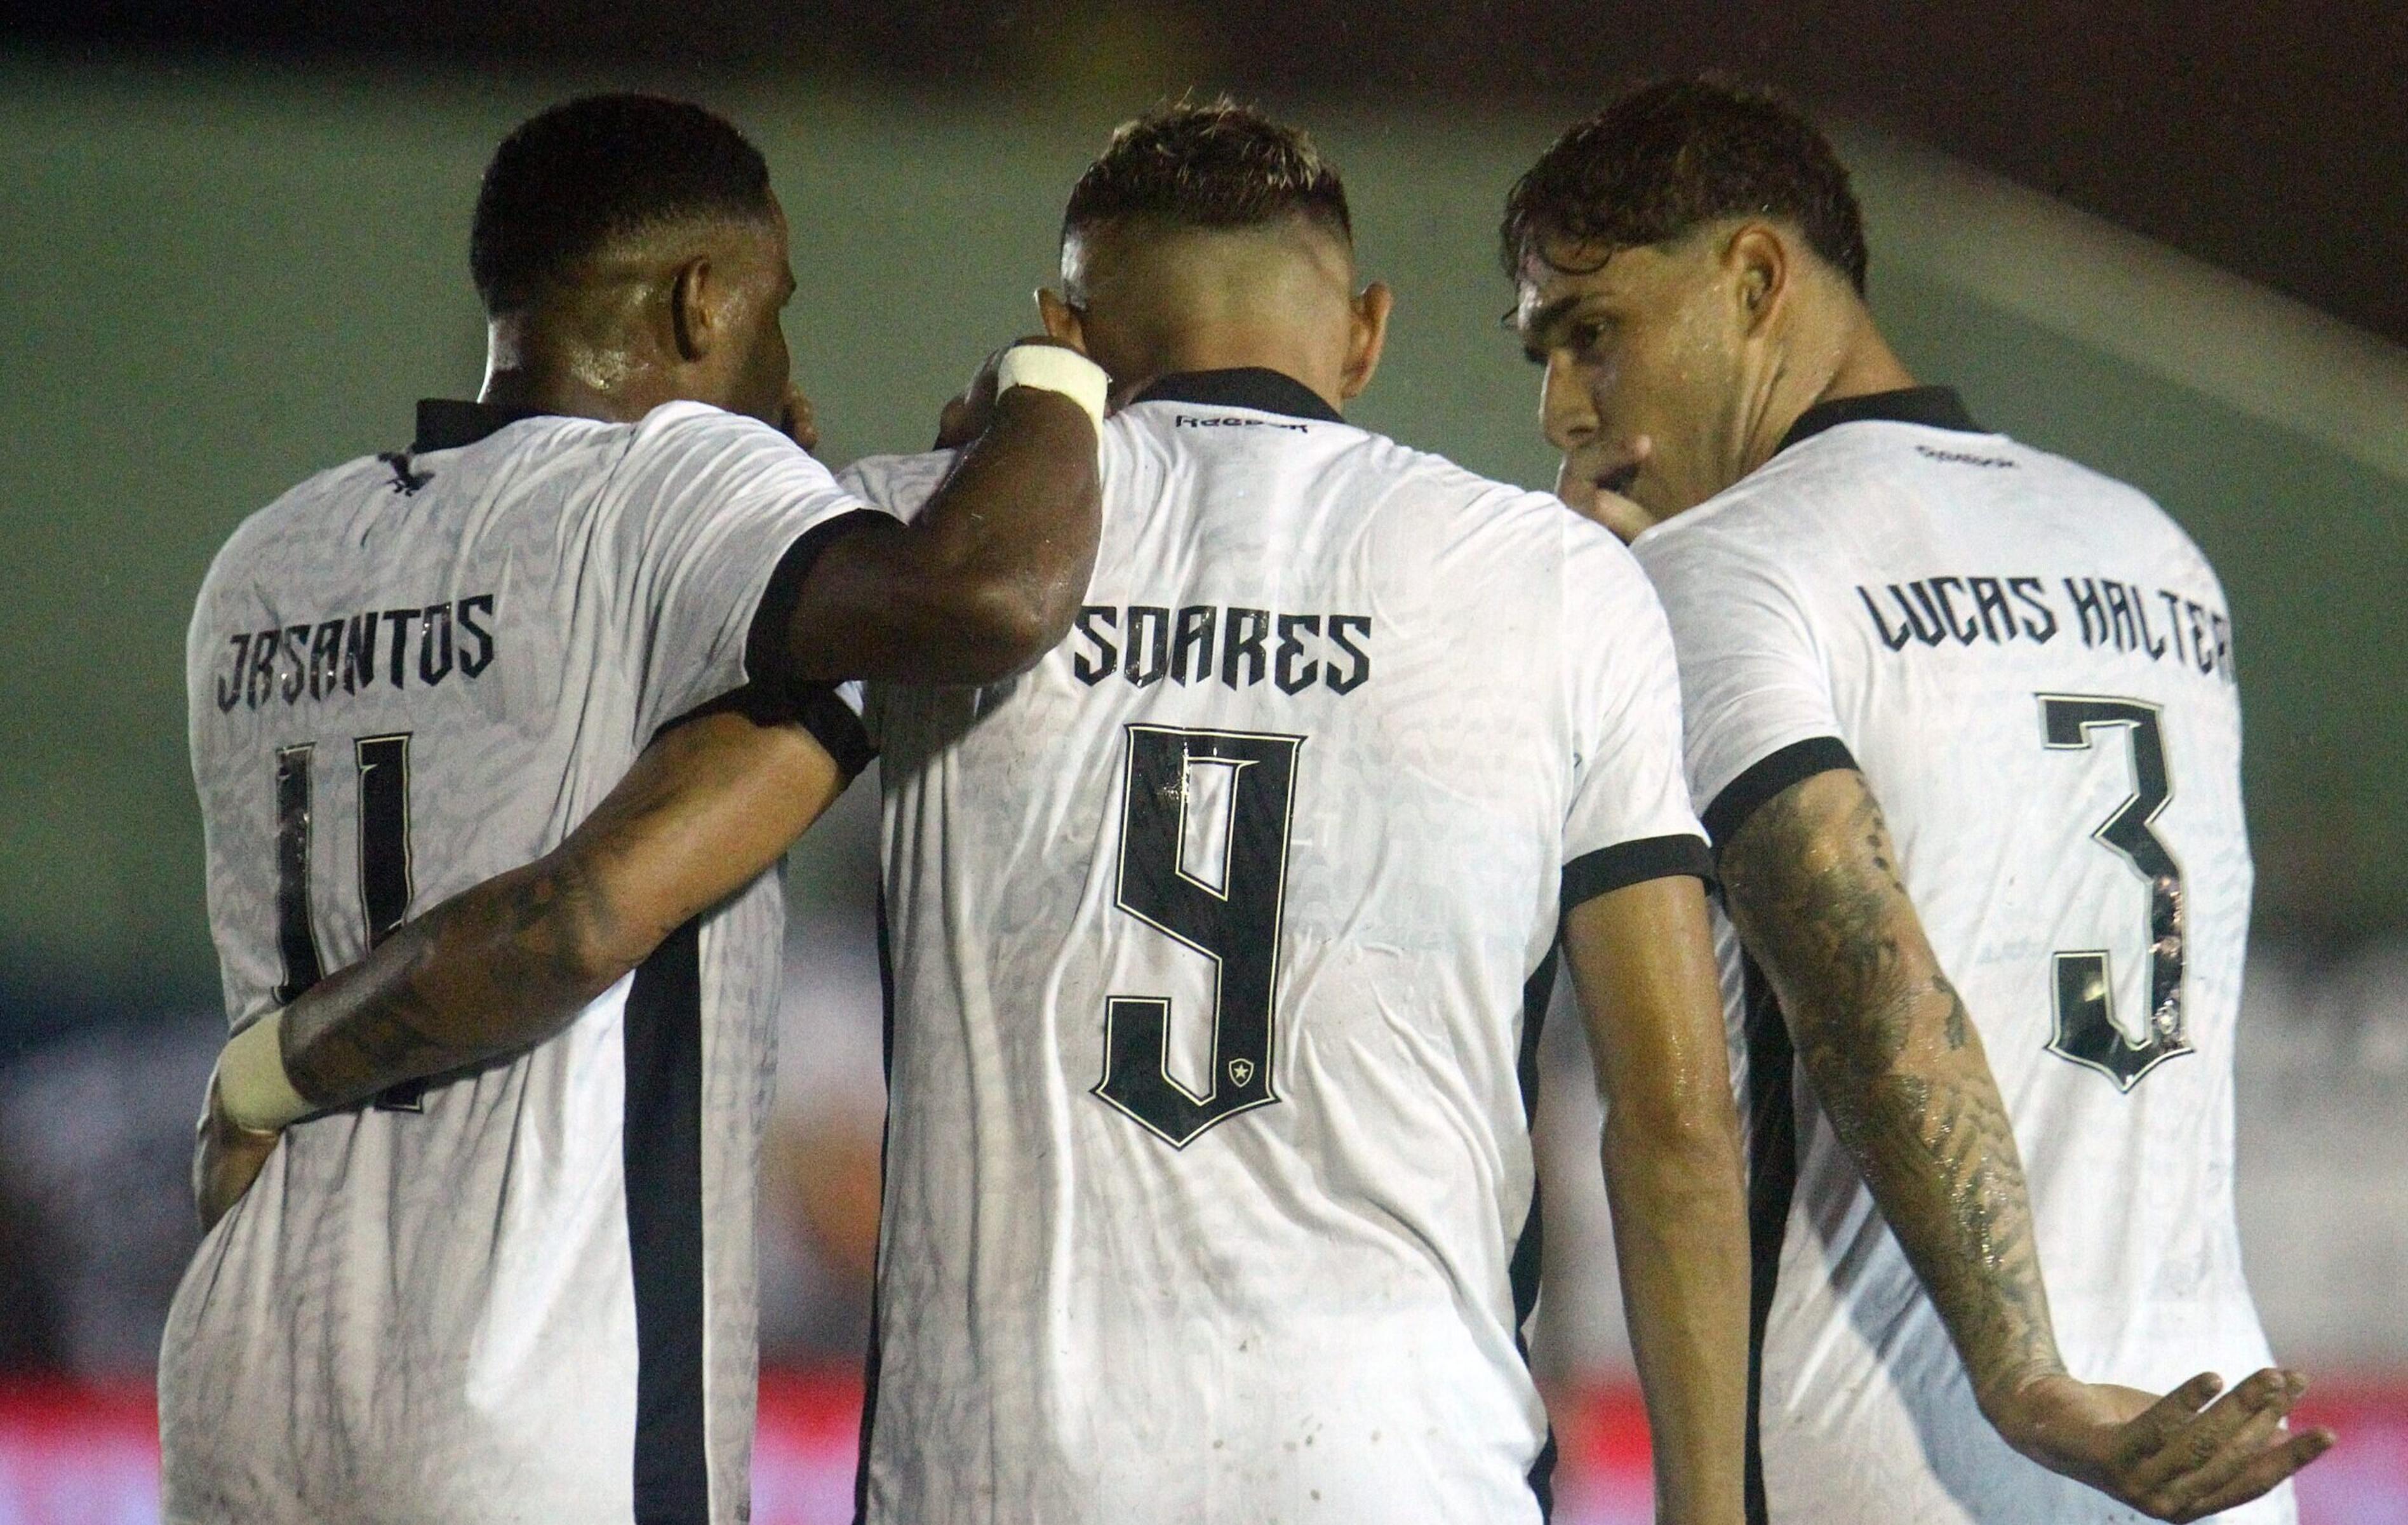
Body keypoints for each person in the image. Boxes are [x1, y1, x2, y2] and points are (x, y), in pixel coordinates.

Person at [222, 100, 1755, 1523]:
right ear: (1361, 336)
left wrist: (281, 1065)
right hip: (1403, 1463)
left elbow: (607, 893)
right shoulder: (1558, 587)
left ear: (1068, 331)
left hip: (1006, 1472)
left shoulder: (913, 541)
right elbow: (1677, 1123)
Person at [164, 92, 1105, 1525]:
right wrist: (1055, 383)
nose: (790, 355)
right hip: (533, 1410)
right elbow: (991, 596)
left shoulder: (267, 560)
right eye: (779, 306)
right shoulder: (670, 480)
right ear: (700, 298)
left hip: (246, 1383)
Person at [1502, 78, 2334, 1524]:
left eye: (1594, 334)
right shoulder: (2154, 553)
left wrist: (2029, 1381)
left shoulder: (1724, 572)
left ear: (1755, 280)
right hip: (2209, 1451)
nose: (1562, 408)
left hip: (1920, 1459)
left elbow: (1870, 976)